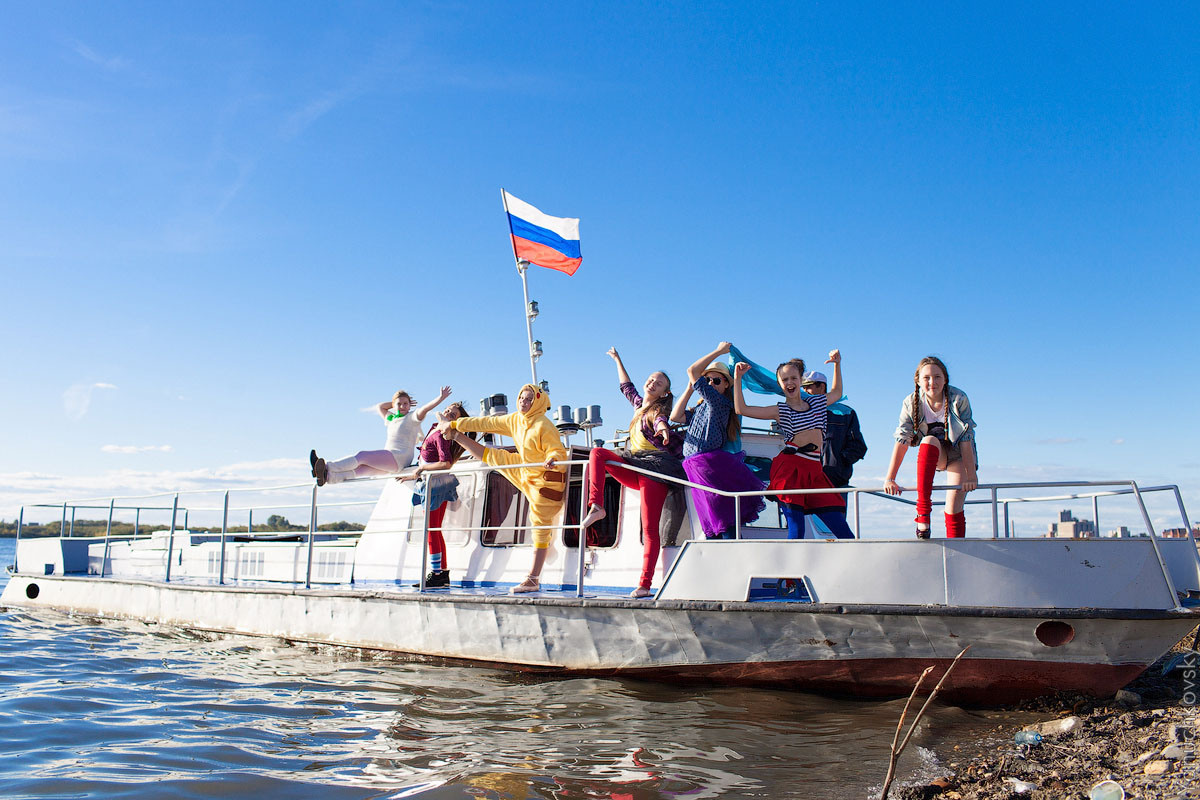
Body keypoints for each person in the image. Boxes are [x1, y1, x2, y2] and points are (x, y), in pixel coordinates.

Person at [437, 384, 567, 593]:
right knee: (496, 457)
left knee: (540, 524)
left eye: (529, 399)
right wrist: (456, 424)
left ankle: (533, 579)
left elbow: (557, 450)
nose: (524, 402)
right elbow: (485, 422)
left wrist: (552, 458)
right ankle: (456, 436)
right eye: (522, 398)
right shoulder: (515, 420)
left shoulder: (544, 424)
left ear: (537, 402)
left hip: (546, 480)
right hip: (526, 471)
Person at [579, 348, 686, 598]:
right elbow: (626, 386)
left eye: (658, 383)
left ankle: (645, 584)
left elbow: (661, 421)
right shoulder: (639, 404)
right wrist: (617, 359)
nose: (652, 383)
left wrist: (664, 430)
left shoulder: (658, 411)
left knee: (649, 529)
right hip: (634, 464)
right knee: (598, 453)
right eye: (651, 379)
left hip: (655, 470)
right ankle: (597, 505)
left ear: (664, 392)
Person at [733, 351, 855, 540]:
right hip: (791, 470)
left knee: (842, 529)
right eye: (784, 379)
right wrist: (738, 379)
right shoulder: (780, 410)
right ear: (780, 384)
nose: (789, 382)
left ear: (800, 380)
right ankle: (792, 568)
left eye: (793, 378)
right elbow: (742, 409)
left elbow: (837, 392)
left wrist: (837, 364)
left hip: (814, 470)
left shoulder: (816, 402)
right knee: (797, 530)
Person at [670, 342, 765, 539]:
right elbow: (675, 416)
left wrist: (719, 351)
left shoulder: (719, 402)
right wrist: (689, 389)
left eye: (716, 380)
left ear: (726, 385)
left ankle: (732, 554)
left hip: (708, 465)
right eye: (708, 380)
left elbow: (691, 370)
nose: (711, 384)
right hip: (695, 467)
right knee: (713, 520)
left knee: (722, 517)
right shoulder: (701, 408)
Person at [883, 356, 977, 539]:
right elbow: (902, 439)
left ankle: (956, 548)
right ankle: (923, 514)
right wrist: (890, 478)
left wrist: (971, 475)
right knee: (928, 441)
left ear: (945, 379)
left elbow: (966, 438)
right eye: (926, 378)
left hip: (958, 454)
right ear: (918, 380)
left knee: (953, 505)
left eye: (937, 377)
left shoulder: (959, 398)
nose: (932, 382)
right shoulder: (911, 402)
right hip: (936, 453)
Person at [396, 400, 475, 588]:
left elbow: (446, 463)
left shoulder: (441, 435)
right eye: (448, 410)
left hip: (436, 485)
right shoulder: (435, 428)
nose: (447, 413)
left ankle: (437, 574)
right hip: (434, 483)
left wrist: (421, 469)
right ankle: (442, 574)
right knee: (434, 530)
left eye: (452, 414)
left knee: (431, 530)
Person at [311, 387, 451, 485]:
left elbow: (426, 408)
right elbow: (380, 407)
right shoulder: (391, 418)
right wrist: (396, 402)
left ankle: (328, 467)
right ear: (394, 406)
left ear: (410, 406)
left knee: (362, 456)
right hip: (389, 457)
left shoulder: (412, 417)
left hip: (398, 457)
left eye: (405, 404)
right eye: (399, 404)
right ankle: (328, 477)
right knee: (360, 469)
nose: (402, 406)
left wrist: (440, 398)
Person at [801, 371, 868, 489]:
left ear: (821, 387)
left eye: (808, 387)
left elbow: (858, 446)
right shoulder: (801, 412)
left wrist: (837, 463)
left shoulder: (846, 413)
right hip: (806, 482)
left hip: (835, 483)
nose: (805, 391)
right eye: (804, 388)